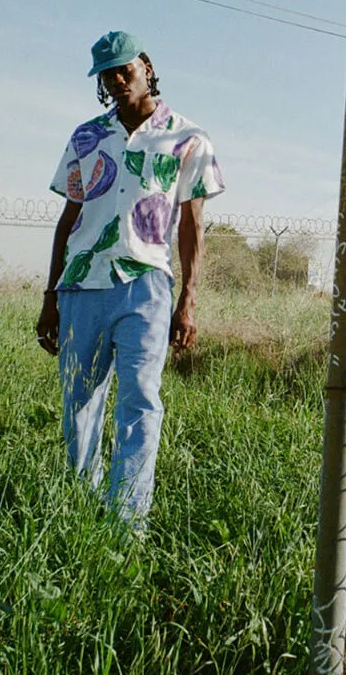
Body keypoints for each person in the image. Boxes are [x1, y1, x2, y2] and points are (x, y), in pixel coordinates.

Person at [35, 30, 224, 529]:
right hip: (82, 283)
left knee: (140, 398)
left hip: (146, 285)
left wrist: (188, 301)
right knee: (80, 399)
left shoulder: (188, 139)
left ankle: (127, 523)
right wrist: (50, 297)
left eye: (126, 69)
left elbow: (192, 227)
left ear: (146, 66)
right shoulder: (86, 137)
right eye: (107, 74)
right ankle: (80, 505)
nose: (118, 80)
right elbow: (68, 220)